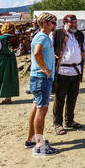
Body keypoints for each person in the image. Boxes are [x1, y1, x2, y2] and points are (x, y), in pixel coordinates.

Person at [26, 12, 59, 156]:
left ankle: (32, 139)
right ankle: (39, 146)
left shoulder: (41, 36)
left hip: (37, 77)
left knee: (36, 107)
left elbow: (40, 53)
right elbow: (37, 53)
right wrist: (45, 68)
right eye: (53, 23)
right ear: (45, 22)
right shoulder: (42, 37)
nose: (54, 26)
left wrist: (51, 57)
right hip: (41, 78)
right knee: (42, 110)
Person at [52, 14, 85, 135]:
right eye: (71, 23)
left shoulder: (79, 35)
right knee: (60, 98)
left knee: (72, 98)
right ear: (64, 23)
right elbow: (49, 49)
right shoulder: (56, 34)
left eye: (75, 23)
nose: (74, 25)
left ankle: (69, 121)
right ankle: (58, 123)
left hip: (76, 71)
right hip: (62, 71)